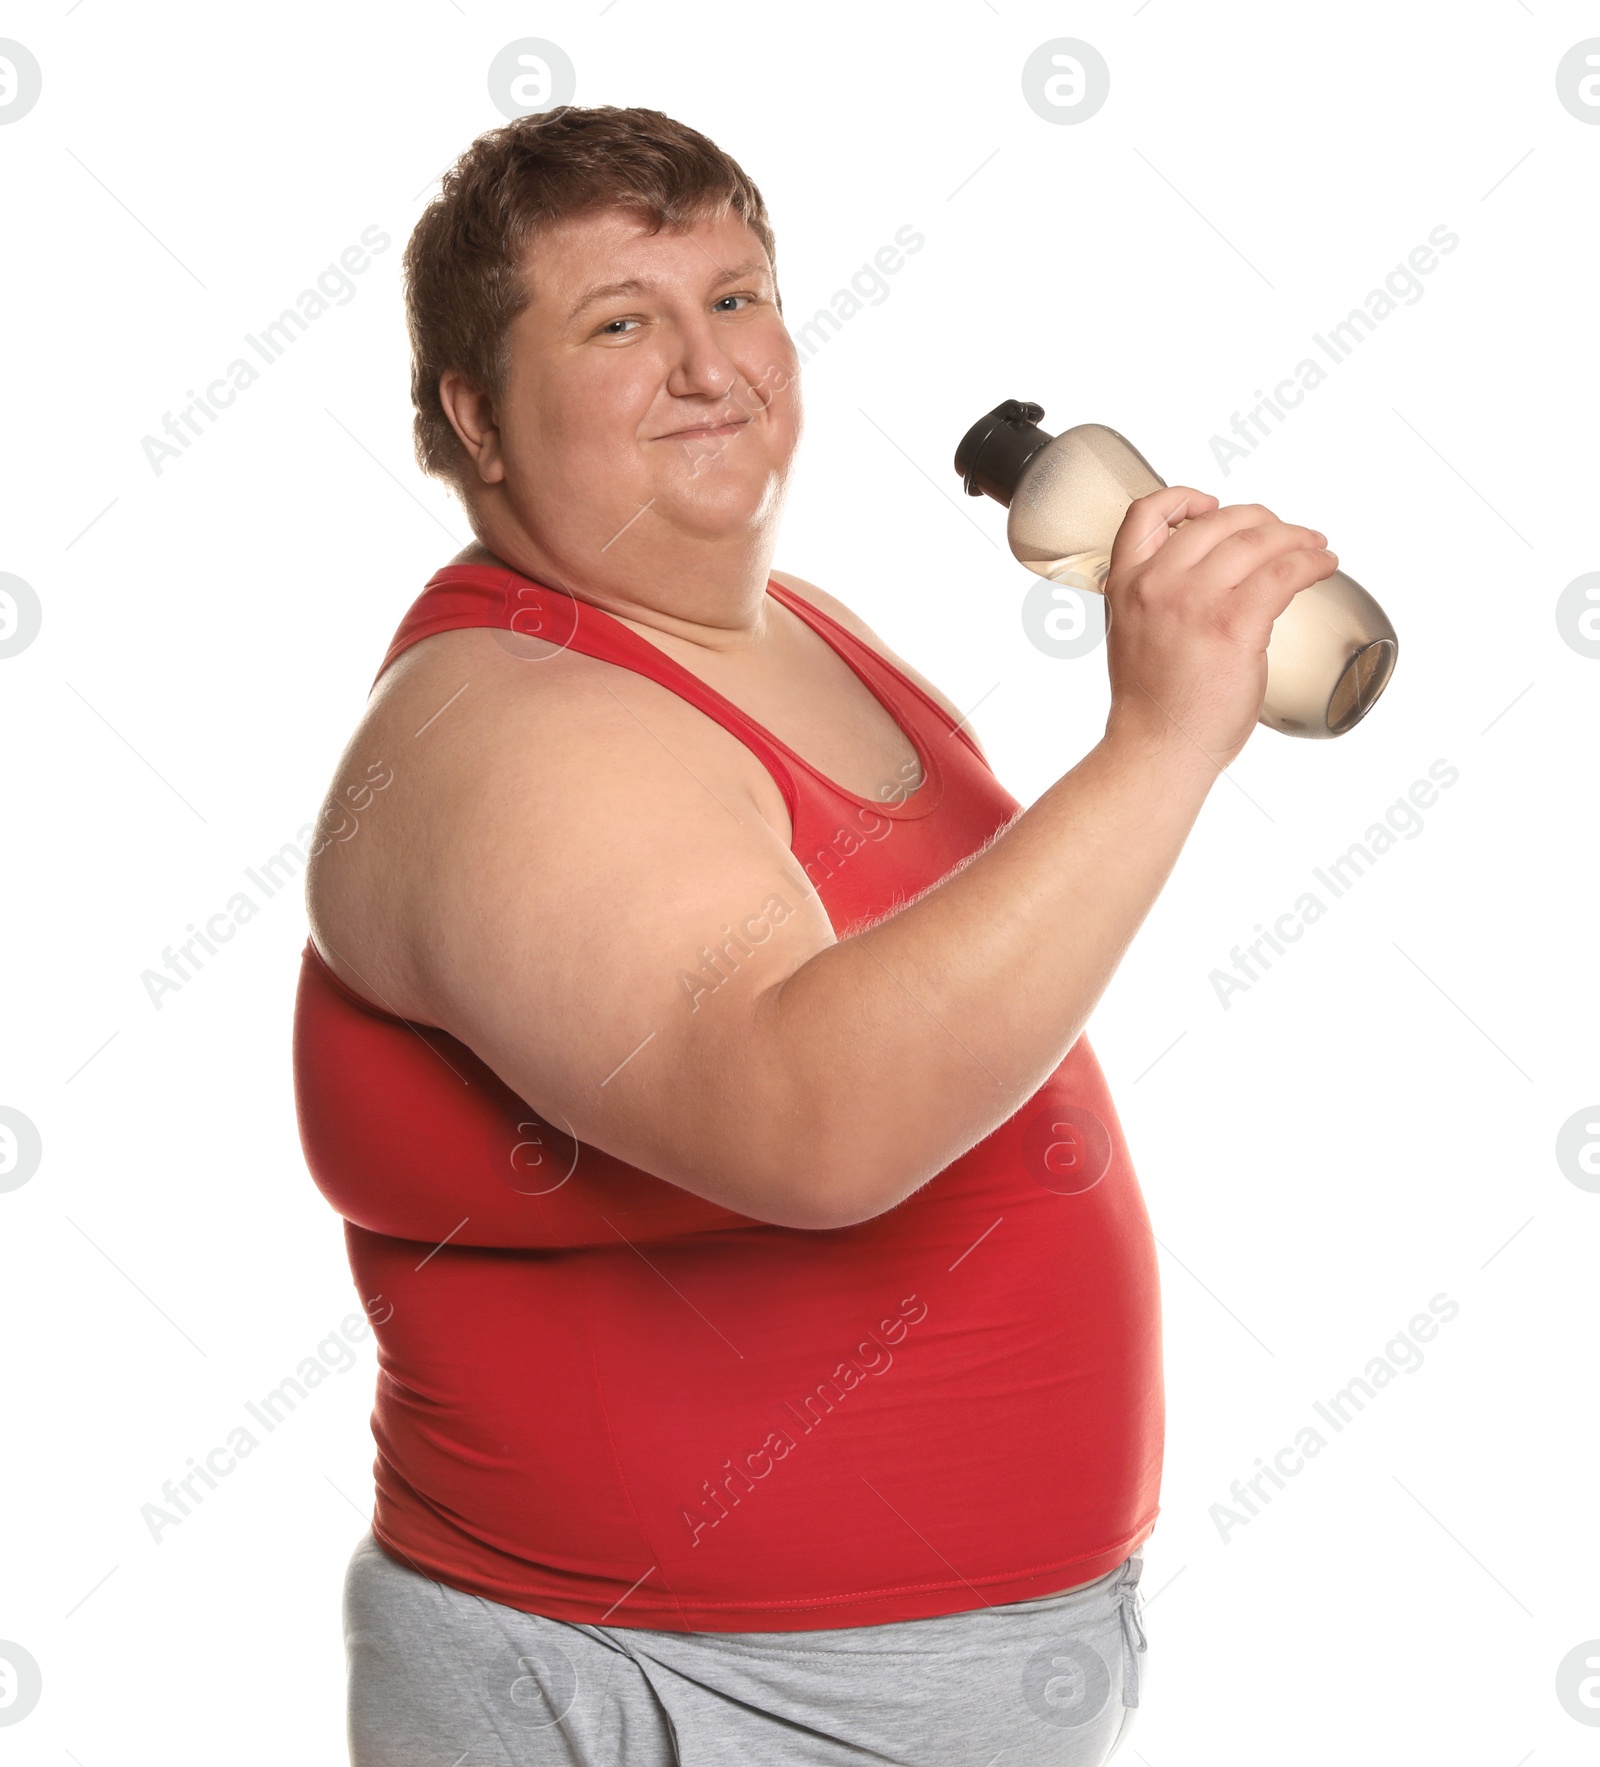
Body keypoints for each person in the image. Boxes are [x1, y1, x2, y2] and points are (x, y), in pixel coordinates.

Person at [293, 104, 1339, 1766]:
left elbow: (962, 1002)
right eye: (622, 322)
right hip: (666, 1689)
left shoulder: (803, 632)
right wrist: (1158, 743)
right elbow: (812, 1123)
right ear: (476, 415)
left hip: (887, 1679)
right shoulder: (508, 726)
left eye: (739, 295)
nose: (710, 365)